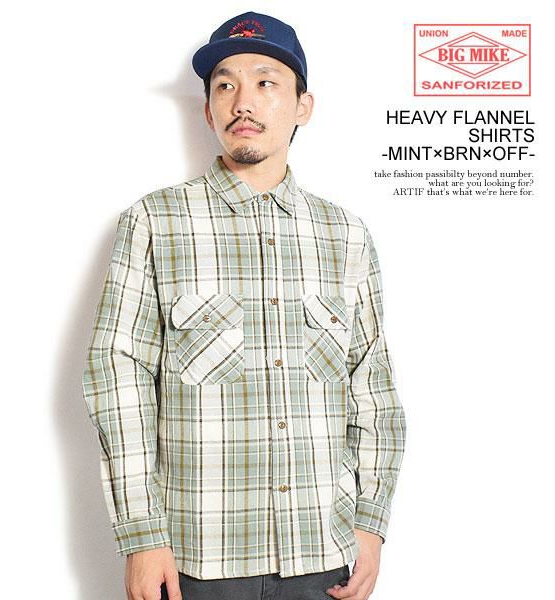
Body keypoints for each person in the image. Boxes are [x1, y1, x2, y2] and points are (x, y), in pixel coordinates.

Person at [82, 10, 407, 600]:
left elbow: (373, 387)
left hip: (324, 554)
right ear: (208, 111)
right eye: (225, 85)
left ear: (303, 106)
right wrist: (141, 535)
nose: (243, 102)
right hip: (197, 560)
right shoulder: (155, 222)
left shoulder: (346, 235)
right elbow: (117, 379)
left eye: (265, 82)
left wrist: (371, 521)